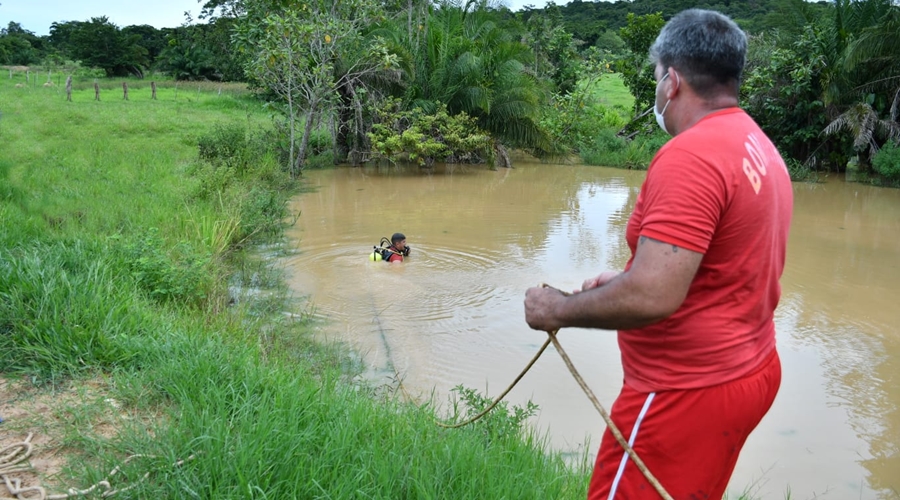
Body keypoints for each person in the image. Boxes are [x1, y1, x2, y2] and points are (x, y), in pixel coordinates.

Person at [524, 9, 793, 500]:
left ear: (671, 82)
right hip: (749, 369)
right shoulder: (755, 142)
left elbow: (653, 295)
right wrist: (624, 279)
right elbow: (717, 267)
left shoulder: (691, 156)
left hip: (684, 392)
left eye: (654, 77)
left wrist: (556, 308)